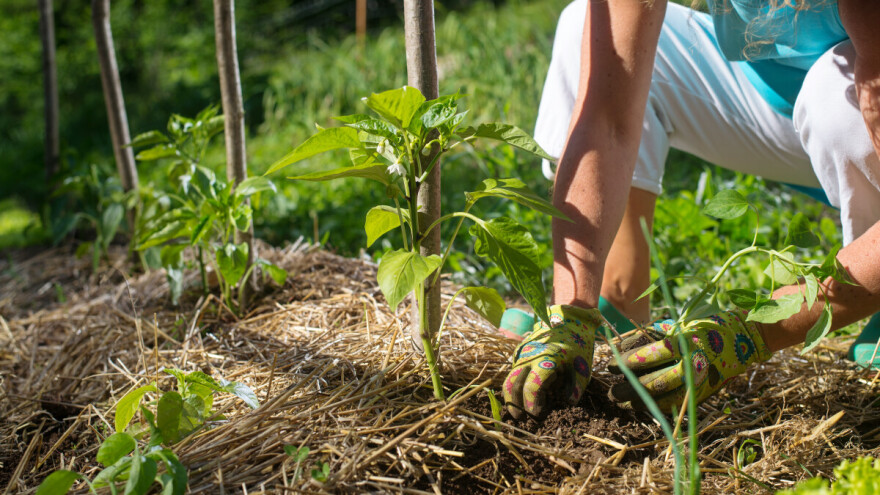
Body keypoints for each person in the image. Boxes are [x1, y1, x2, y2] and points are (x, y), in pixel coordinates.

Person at [502, 0, 880, 419]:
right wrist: (570, 310)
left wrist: (747, 334)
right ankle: (619, 299)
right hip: (776, 96)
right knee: (590, 30)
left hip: (850, 100)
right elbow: (608, 117)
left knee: (834, 97)